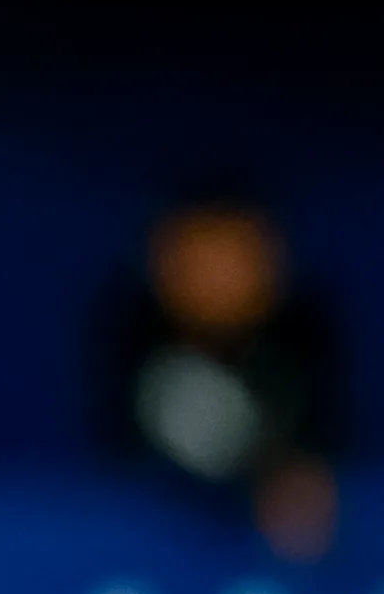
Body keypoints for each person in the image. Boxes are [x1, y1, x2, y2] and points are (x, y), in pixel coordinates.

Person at [95, 183, 340, 557]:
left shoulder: (306, 339)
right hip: (150, 554)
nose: (219, 275)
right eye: (201, 255)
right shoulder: (128, 339)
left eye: (236, 254)